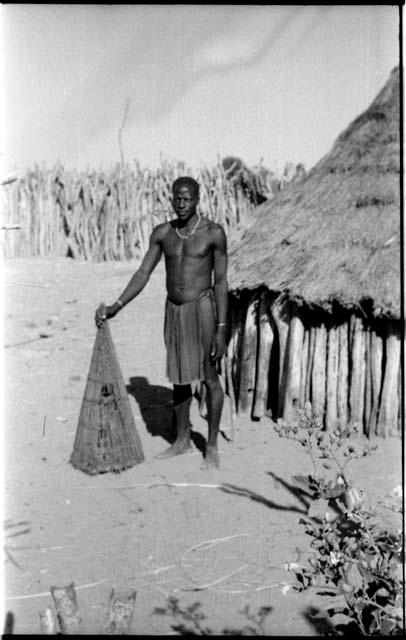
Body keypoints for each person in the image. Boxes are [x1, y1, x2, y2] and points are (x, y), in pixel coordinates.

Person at [95, 176, 228, 469]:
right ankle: (181, 441)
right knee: (179, 377)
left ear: (197, 199)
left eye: (187, 198)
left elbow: (220, 282)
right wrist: (117, 305)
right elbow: (143, 273)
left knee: (208, 377)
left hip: (202, 310)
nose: (181, 204)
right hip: (174, 311)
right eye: (177, 198)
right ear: (171, 198)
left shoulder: (213, 233)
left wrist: (221, 329)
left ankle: (212, 446)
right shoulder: (163, 233)